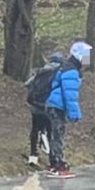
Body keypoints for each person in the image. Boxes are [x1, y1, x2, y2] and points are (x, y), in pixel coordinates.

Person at [44, 41, 87, 178]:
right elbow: (70, 95)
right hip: (57, 107)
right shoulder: (71, 71)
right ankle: (58, 165)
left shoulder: (65, 67)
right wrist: (74, 114)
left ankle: (54, 163)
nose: (88, 60)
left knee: (55, 134)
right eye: (86, 57)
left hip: (52, 104)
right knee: (58, 135)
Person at [23, 52, 62, 167]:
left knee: (35, 129)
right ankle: (52, 159)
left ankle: (33, 156)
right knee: (51, 131)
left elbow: (27, 84)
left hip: (35, 106)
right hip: (48, 106)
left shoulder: (41, 71)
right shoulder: (58, 73)